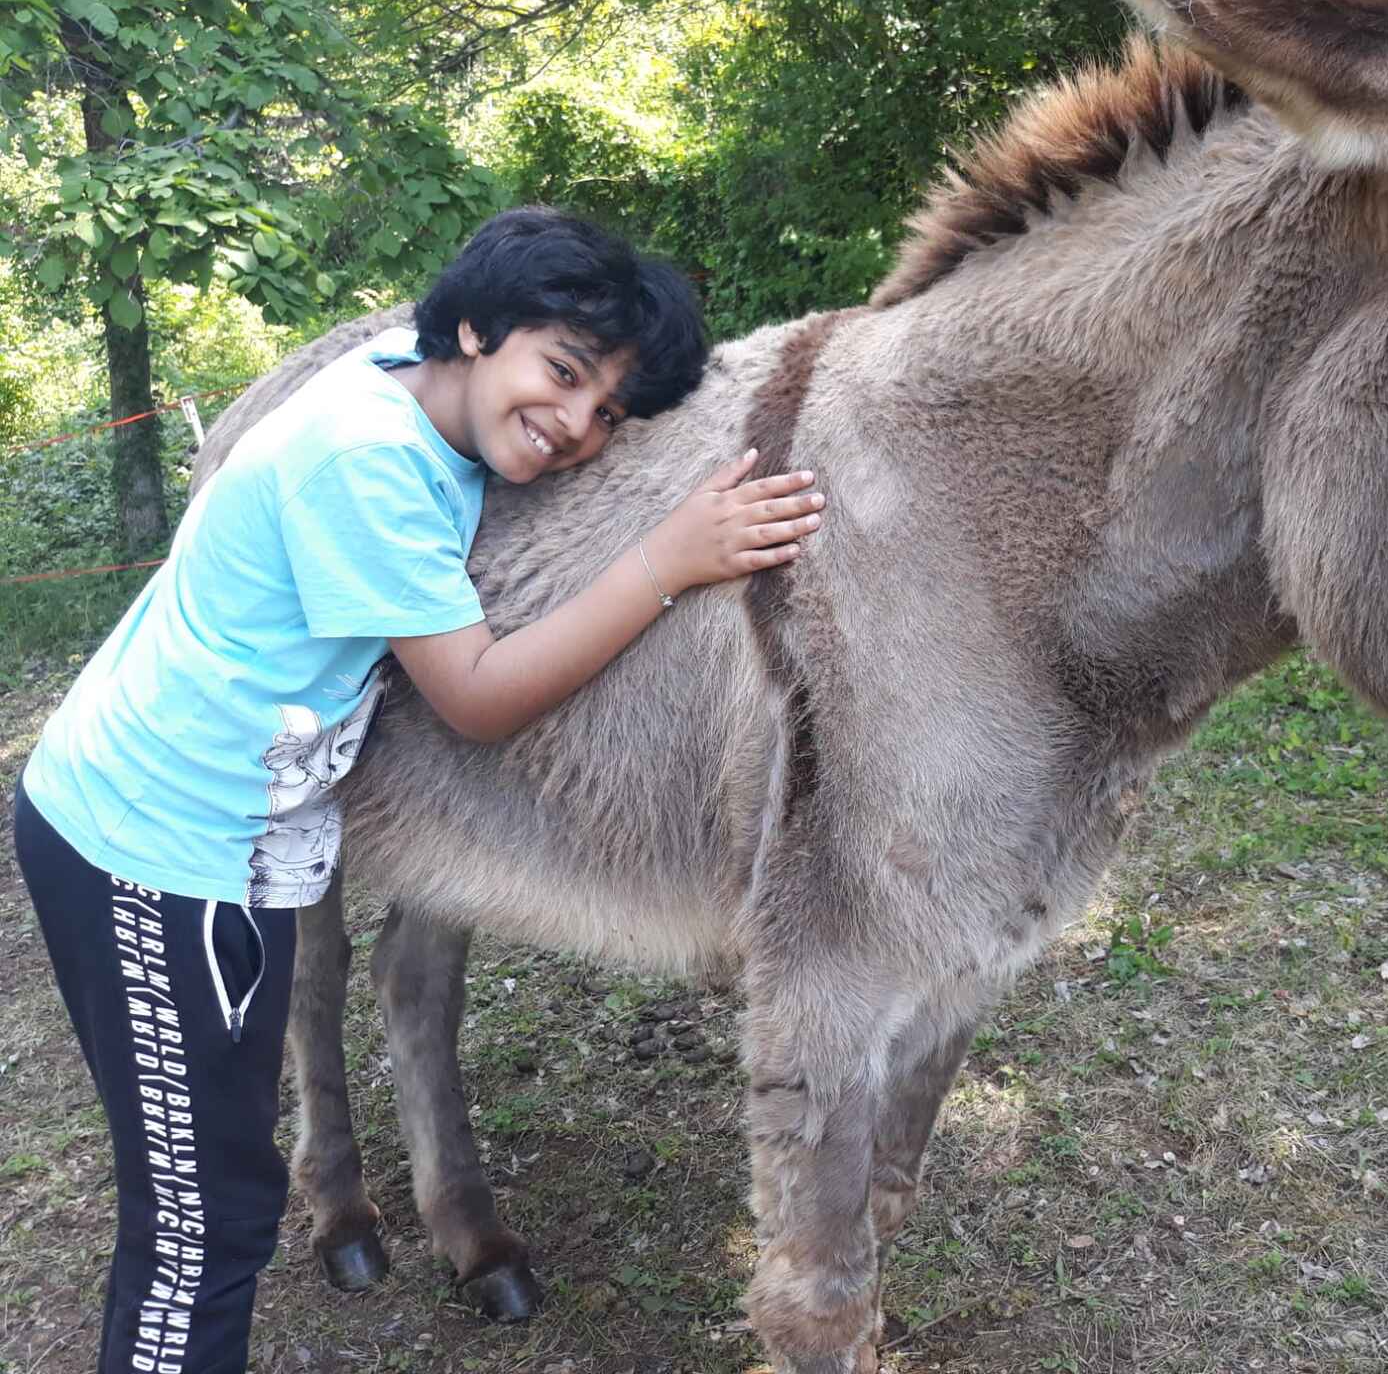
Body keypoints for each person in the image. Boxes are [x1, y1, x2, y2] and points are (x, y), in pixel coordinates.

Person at [9, 206, 824, 1373]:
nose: (574, 425)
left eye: (606, 413)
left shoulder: (403, 379)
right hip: (145, 850)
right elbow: (479, 696)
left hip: (224, 849)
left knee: (224, 1200)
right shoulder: (367, 462)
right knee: (198, 1232)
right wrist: (666, 559)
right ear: (477, 328)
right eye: (563, 372)